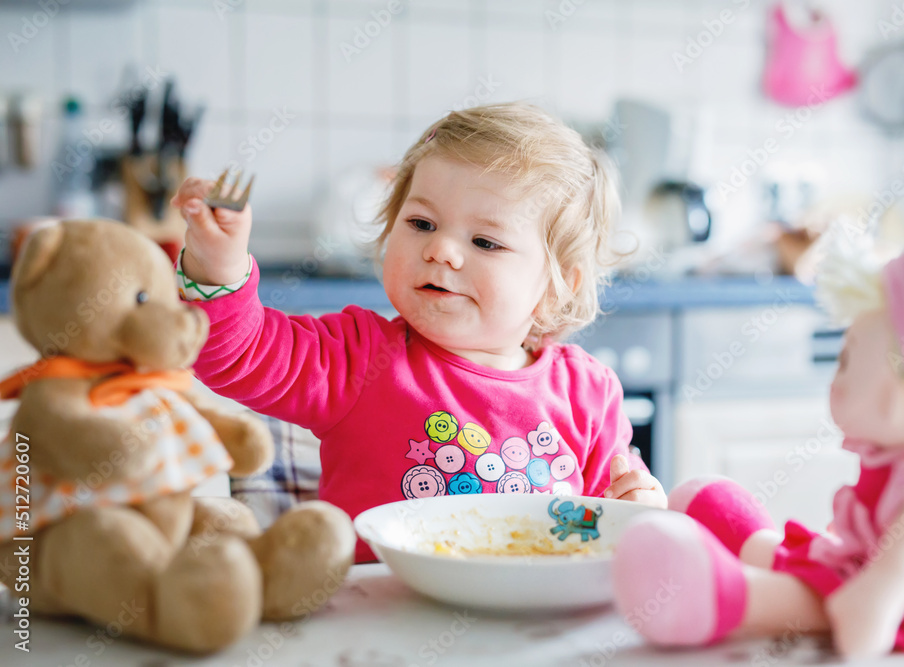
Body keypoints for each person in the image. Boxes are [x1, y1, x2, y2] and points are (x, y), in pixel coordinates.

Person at [171, 102, 667, 562]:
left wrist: (638, 504)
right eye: (422, 223)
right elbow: (240, 355)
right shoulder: (359, 357)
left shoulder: (589, 391)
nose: (442, 251)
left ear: (558, 285)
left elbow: (604, 519)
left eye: (485, 241)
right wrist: (218, 266)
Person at [612, 227, 904, 657]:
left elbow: (880, 597)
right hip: (848, 563)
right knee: (709, 502)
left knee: (795, 596)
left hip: (867, 594)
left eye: (848, 359)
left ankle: (726, 594)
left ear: (899, 394)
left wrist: (863, 612)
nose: (839, 373)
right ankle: (747, 548)